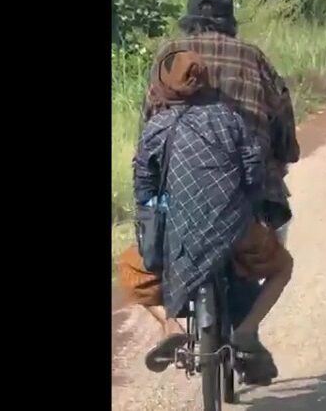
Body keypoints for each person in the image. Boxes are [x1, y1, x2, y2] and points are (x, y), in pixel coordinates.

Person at [118, 43, 295, 385]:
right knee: (282, 267)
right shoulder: (229, 120)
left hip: (177, 238)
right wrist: (247, 207)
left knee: (129, 269)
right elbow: (253, 171)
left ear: (163, 84)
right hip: (235, 232)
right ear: (204, 81)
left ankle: (171, 325)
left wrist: (149, 220)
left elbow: (143, 186)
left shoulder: (157, 128)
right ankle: (247, 330)